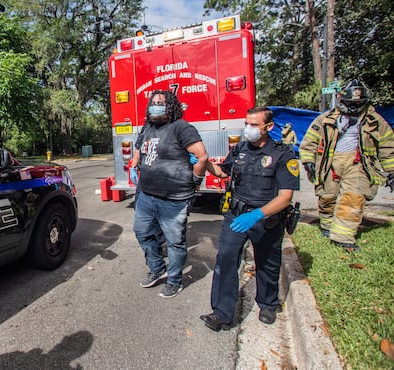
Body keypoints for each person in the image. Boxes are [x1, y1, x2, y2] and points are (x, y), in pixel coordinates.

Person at [200, 106, 299, 331]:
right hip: (236, 215)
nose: (248, 128)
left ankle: (267, 304)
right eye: (247, 123)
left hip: (266, 218)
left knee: (266, 262)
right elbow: (223, 172)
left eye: (254, 125)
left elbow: (285, 197)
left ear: (268, 127)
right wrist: (204, 162)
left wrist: (257, 215)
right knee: (225, 259)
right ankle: (221, 313)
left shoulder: (283, 154)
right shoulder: (240, 149)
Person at [299, 79, 394, 251]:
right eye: (349, 103)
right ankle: (327, 225)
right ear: (341, 99)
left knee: (353, 197)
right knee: (327, 196)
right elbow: (309, 142)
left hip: (359, 164)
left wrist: (392, 171)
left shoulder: (375, 121)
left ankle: (343, 237)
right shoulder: (325, 119)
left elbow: (387, 146)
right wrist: (308, 161)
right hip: (329, 163)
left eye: (357, 103)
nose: (352, 107)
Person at [133, 89, 208, 299]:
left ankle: (175, 280)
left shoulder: (181, 128)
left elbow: (201, 156)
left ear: (171, 106)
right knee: (142, 232)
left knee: (175, 242)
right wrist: (134, 164)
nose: (156, 105)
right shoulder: (147, 127)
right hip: (147, 195)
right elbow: (139, 147)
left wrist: (195, 180)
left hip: (174, 199)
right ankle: (157, 268)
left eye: (161, 102)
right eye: (153, 102)